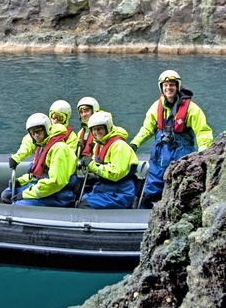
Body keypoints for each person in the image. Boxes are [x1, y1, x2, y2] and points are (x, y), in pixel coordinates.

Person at [129, 69, 213, 207]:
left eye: (172, 85)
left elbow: (203, 132)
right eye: (165, 85)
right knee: (153, 188)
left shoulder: (192, 109)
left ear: (177, 86)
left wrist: (203, 152)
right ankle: (147, 214)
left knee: (182, 189)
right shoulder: (156, 107)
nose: (169, 88)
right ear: (161, 87)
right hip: (160, 156)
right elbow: (147, 129)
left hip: (182, 156)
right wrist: (134, 144)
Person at [2, 113, 77, 206]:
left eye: (38, 132)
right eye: (32, 133)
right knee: (6, 195)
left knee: (18, 205)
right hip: (44, 187)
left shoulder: (59, 149)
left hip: (59, 194)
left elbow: (55, 182)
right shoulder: (42, 146)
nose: (36, 135)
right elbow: (37, 174)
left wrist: (25, 194)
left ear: (46, 129)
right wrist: (20, 181)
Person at [76, 111, 139, 209]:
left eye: (100, 128)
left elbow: (116, 173)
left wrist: (92, 165)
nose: (96, 132)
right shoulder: (99, 144)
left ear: (107, 128)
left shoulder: (119, 145)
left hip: (121, 192)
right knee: (79, 199)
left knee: (84, 206)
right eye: (94, 130)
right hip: (105, 188)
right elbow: (97, 165)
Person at [8, 99, 78, 170]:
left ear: (66, 118)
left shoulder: (71, 136)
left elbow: (68, 156)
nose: (55, 121)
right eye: (53, 117)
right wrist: (17, 157)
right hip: (40, 164)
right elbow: (28, 143)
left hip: (56, 168)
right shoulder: (46, 129)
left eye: (59, 118)